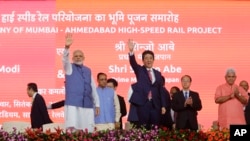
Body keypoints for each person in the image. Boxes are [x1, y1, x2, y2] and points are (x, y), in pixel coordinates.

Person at [63, 33, 100, 132]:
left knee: (88, 130)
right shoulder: (69, 68)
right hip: (73, 105)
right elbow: (64, 60)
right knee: (73, 130)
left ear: (84, 57)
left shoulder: (88, 70)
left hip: (87, 105)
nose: (78, 57)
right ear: (73, 58)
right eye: (76, 56)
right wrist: (67, 47)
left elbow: (93, 88)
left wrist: (97, 105)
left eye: (80, 56)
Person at [127, 39, 166, 130]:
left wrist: (163, 105)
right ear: (143, 60)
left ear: (153, 60)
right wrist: (131, 51)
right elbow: (133, 63)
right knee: (143, 129)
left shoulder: (158, 73)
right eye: (146, 58)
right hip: (143, 104)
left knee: (155, 129)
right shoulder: (139, 70)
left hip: (155, 105)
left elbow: (161, 90)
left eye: (150, 58)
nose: (148, 60)